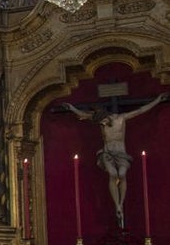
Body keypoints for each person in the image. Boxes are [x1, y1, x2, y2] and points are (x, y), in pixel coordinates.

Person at [64, 93, 167, 227]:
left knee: (122, 174)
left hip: (121, 153)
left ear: (106, 116)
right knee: (113, 174)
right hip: (107, 153)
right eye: (100, 124)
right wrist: (72, 108)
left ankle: (120, 203)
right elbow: (83, 114)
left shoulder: (121, 119)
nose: (102, 125)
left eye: (103, 122)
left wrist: (157, 100)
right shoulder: (100, 120)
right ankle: (117, 206)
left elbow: (141, 110)